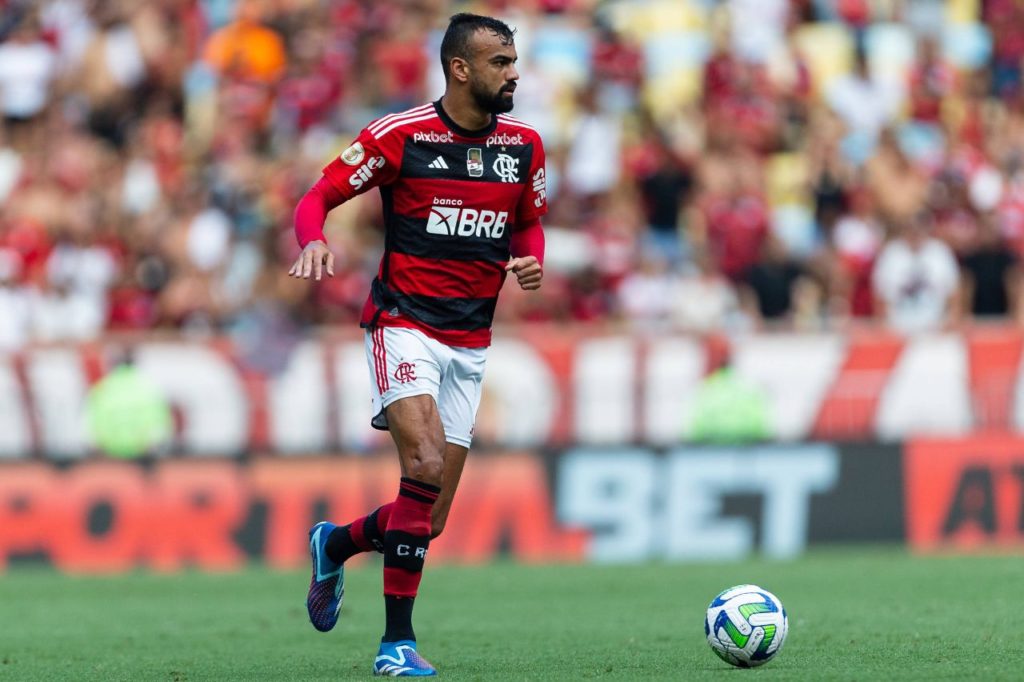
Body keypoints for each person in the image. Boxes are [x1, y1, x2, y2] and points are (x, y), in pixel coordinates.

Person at [287, 13, 546, 677]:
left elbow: (527, 225)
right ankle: (395, 646)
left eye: (513, 60)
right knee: (424, 464)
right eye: (500, 61)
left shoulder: (524, 146)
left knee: (427, 520)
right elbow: (317, 195)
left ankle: (335, 544)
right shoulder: (400, 136)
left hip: (471, 339)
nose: (513, 72)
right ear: (460, 68)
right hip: (404, 323)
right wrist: (313, 239)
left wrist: (528, 260)